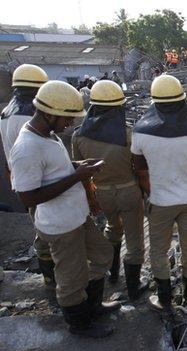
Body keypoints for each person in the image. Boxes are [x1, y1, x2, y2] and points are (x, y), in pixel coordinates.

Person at [10, 80, 120, 338]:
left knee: (103, 254)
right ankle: (79, 323)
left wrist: (78, 165)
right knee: (71, 277)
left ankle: (92, 305)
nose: (69, 124)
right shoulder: (26, 148)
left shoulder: (48, 136)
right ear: (49, 114)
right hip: (60, 225)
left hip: (77, 216)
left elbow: (54, 169)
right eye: (66, 118)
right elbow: (27, 198)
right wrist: (77, 175)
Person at [131, 75, 187, 314]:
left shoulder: (141, 133)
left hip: (161, 201)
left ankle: (164, 299)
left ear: (155, 102)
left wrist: (153, 193)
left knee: (158, 250)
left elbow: (140, 171)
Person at [72, 80, 148, 301]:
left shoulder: (79, 136)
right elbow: (139, 167)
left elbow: (79, 171)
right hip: (128, 191)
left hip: (100, 193)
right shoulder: (127, 134)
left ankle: (113, 274)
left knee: (112, 228)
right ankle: (133, 288)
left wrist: (90, 198)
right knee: (134, 241)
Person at [1, 64, 54, 288]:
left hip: (19, 178)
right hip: (40, 181)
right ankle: (53, 278)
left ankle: (50, 276)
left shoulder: (6, 113)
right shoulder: (31, 117)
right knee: (46, 231)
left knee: (39, 225)